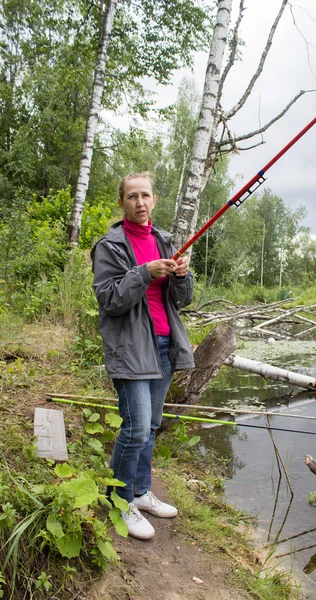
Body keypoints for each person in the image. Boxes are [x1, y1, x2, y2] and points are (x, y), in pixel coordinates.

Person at [91, 172, 195, 540]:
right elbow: (109, 300)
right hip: (131, 348)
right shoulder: (110, 246)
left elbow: (182, 301)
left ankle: (139, 490)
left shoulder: (165, 240)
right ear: (121, 203)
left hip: (165, 344)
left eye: (145, 195)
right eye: (132, 196)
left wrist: (181, 276)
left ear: (154, 201)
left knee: (151, 427)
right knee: (134, 428)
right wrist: (143, 273)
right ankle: (119, 501)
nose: (139, 202)